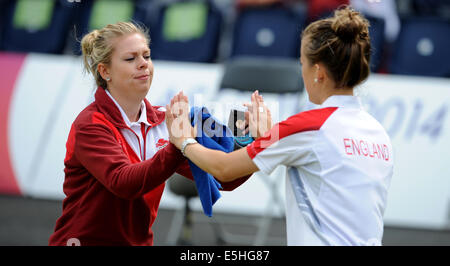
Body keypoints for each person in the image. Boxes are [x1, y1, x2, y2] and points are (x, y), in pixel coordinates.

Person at [165, 6, 394, 246]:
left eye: (302, 62)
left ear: (318, 72)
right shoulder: (378, 133)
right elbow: (318, 164)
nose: (302, 71)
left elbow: (224, 169)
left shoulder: (307, 126)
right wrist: (268, 134)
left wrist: (184, 140)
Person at [49, 22, 248, 246]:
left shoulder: (165, 121)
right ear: (105, 71)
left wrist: (254, 143)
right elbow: (123, 182)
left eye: (147, 56)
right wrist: (177, 146)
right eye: (130, 58)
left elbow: (223, 177)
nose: (143, 64)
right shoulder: (90, 124)